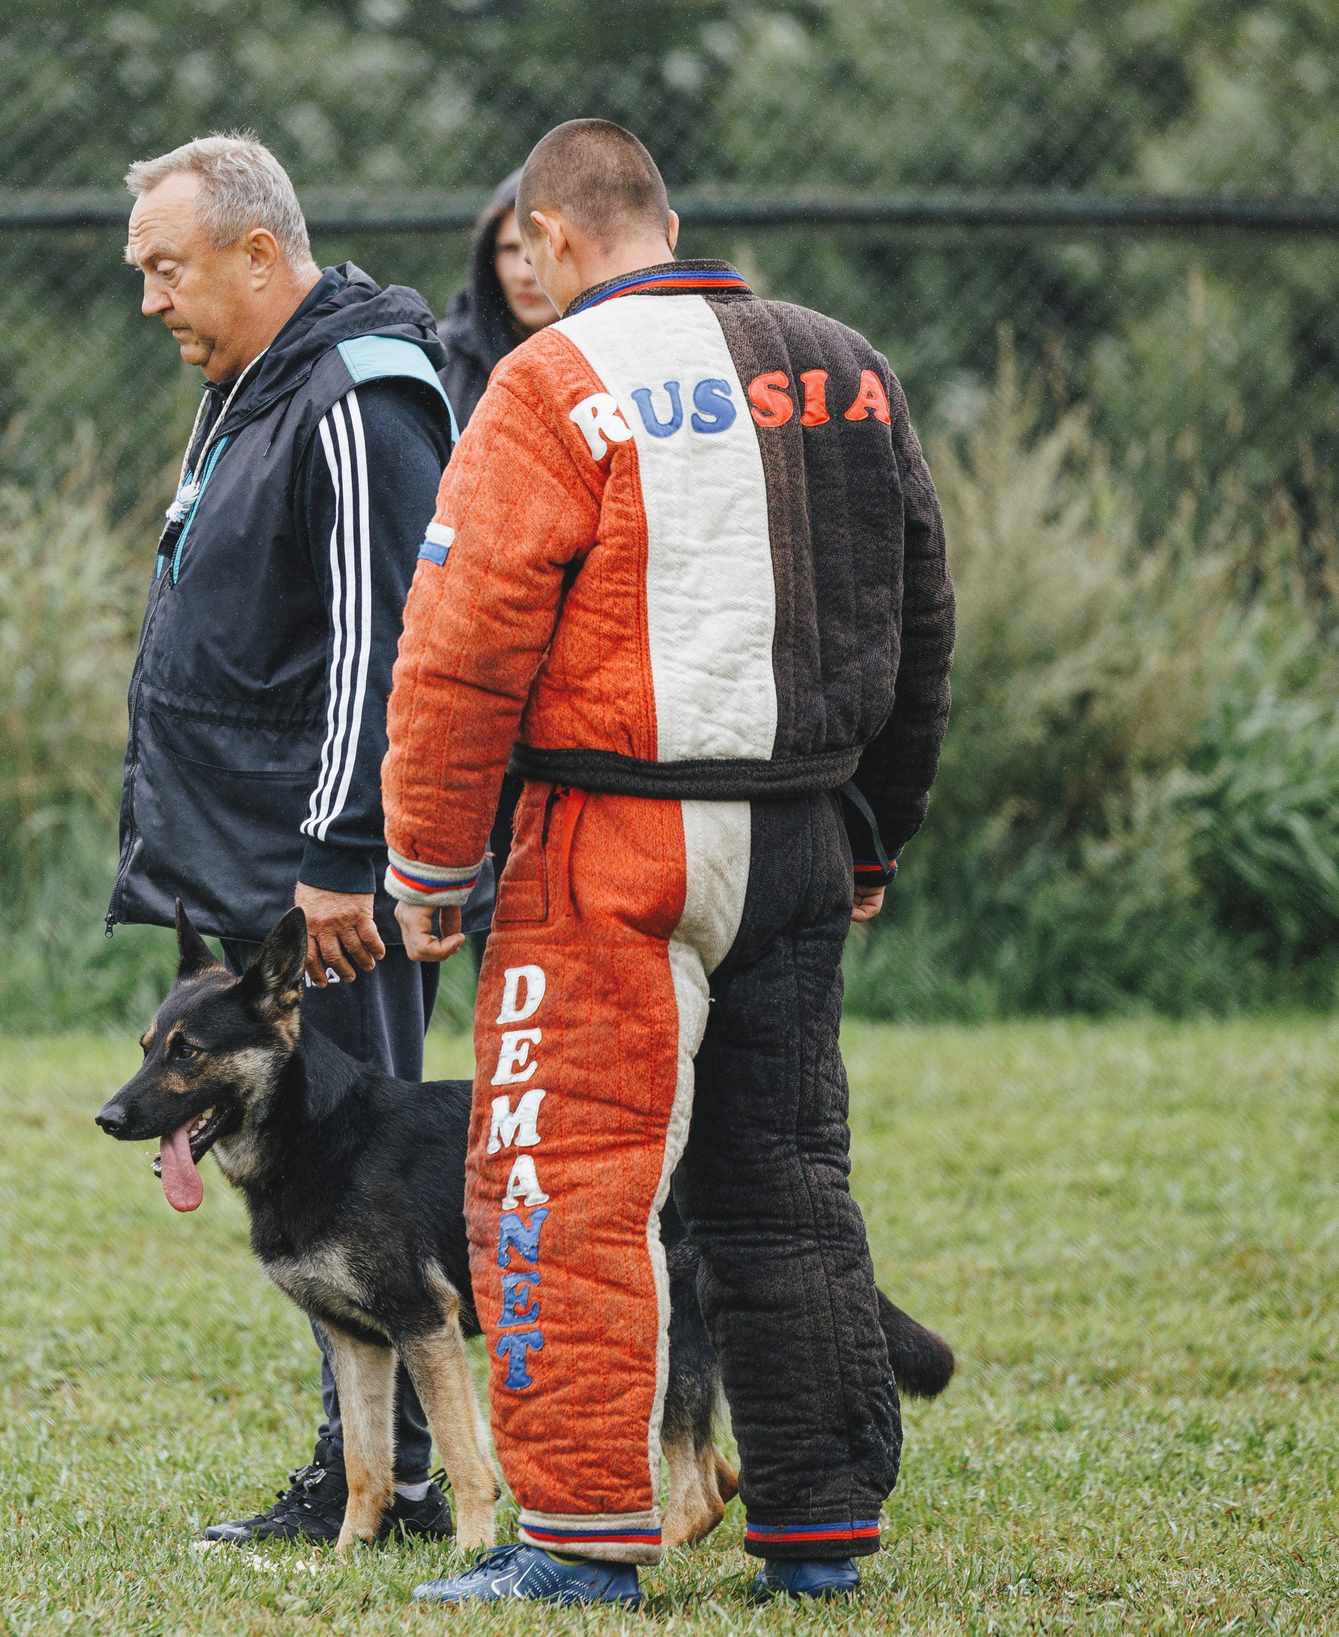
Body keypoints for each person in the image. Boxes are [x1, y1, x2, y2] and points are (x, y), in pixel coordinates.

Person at [380, 120, 954, 1607]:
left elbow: (460, 644)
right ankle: (820, 1533)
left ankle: (578, 1541)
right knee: (786, 1184)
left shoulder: (547, 380)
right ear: (671, 222)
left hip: (607, 841)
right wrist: (877, 828)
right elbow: (920, 616)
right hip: (801, 834)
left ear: (552, 240)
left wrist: (430, 858)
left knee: (562, 1184)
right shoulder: (845, 365)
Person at [109, 132, 482, 1545]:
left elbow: (384, 644)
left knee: (359, 1173)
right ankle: (365, 1471)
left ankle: (391, 1479)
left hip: (323, 873)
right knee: (311, 1173)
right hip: (258, 857)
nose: (150, 298)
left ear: (258, 253)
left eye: (167, 267)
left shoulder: (354, 394)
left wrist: (339, 856)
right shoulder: (253, 381)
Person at [434, 170, 562, 972]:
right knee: (497, 913)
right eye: (508, 249)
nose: (523, 268)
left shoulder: (615, 357)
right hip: (482, 664)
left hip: (580, 675)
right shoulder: (446, 366)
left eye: (537, 247)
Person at [436, 170, 562, 426]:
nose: (523, 274)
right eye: (509, 249)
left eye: (543, 246)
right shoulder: (441, 360)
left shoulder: (614, 356)